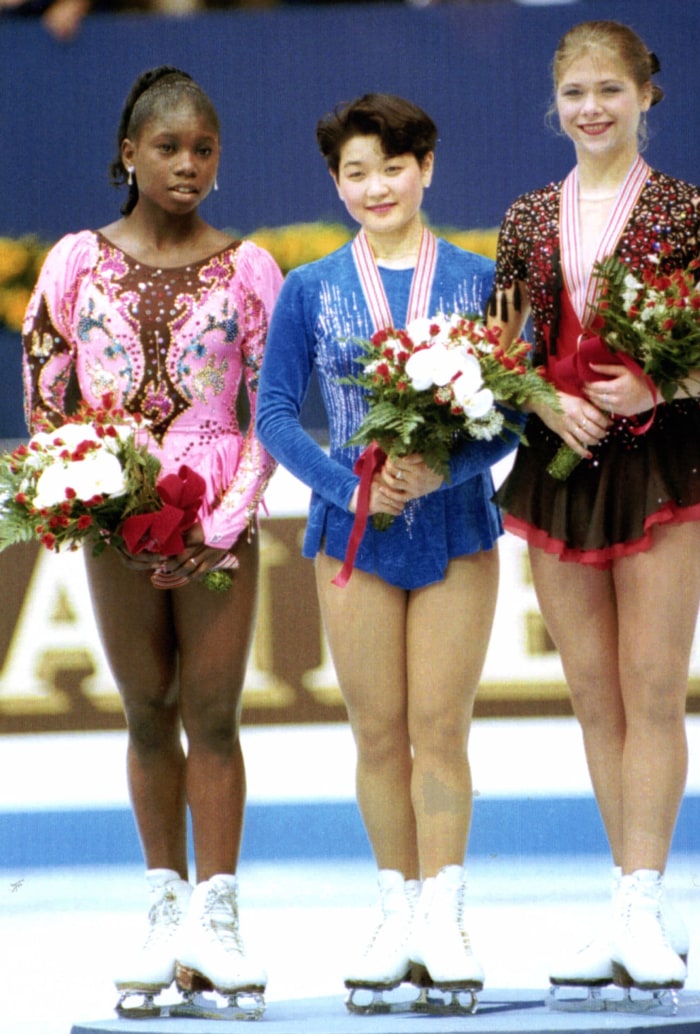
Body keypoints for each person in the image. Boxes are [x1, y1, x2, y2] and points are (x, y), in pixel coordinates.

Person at [488, 20, 700, 997]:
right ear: (554, 104)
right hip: (561, 462)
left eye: (609, 88)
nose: (591, 108)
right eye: (574, 93)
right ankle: (632, 894)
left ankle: (640, 900)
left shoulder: (686, 209)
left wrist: (660, 385)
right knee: (593, 693)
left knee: (651, 688)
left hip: (661, 461)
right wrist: (539, 396)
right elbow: (497, 354)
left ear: (646, 93)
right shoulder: (526, 218)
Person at [21, 66, 282, 1016]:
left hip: (221, 520)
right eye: (168, 148)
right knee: (146, 711)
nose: (187, 165)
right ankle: (163, 910)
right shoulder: (74, 263)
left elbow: (275, 411)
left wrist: (225, 517)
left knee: (212, 715)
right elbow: (49, 401)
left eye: (203, 149)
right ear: (129, 153)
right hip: (112, 520)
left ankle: (219, 923)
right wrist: (91, 502)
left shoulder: (252, 267)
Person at [256, 93, 520, 1009]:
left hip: (455, 528)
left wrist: (441, 472)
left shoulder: (483, 280)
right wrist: (350, 487)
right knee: (376, 733)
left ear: (428, 168)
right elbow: (275, 416)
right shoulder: (311, 287)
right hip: (353, 532)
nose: (375, 187)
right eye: (355, 173)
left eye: (392, 167)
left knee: (440, 728)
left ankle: (445, 915)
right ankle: (395, 910)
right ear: (335, 182)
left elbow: (512, 414)